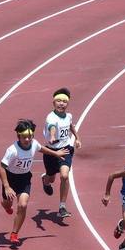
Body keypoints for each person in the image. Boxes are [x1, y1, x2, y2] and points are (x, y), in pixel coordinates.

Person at [0, 119, 68, 244]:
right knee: (7, 204)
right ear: (18, 136)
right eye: (24, 137)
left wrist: (56, 153)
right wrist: (7, 186)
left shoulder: (34, 143)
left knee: (23, 205)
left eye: (30, 137)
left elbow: (41, 148)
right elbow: (1, 167)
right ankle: (5, 205)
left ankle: (14, 233)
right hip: (10, 179)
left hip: (24, 179)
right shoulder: (12, 150)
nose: (27, 140)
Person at [41, 88, 82, 218]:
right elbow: (52, 127)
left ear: (67, 103)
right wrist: (52, 137)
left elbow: (70, 125)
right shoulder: (51, 117)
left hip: (65, 150)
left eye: (64, 101)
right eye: (58, 101)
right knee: (51, 177)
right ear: (54, 103)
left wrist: (77, 138)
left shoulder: (68, 116)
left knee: (64, 176)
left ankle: (62, 207)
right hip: (51, 152)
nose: (61, 103)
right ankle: (45, 181)